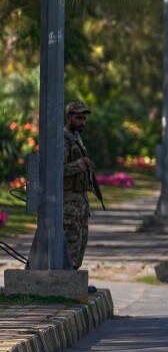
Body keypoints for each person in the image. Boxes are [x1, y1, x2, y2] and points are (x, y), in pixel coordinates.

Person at [63, 100, 96, 271]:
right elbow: (57, 171)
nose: (82, 122)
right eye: (78, 118)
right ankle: (68, 282)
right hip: (68, 202)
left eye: (83, 118)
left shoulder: (76, 139)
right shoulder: (64, 141)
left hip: (80, 200)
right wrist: (81, 164)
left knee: (81, 243)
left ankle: (74, 279)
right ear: (68, 118)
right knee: (72, 242)